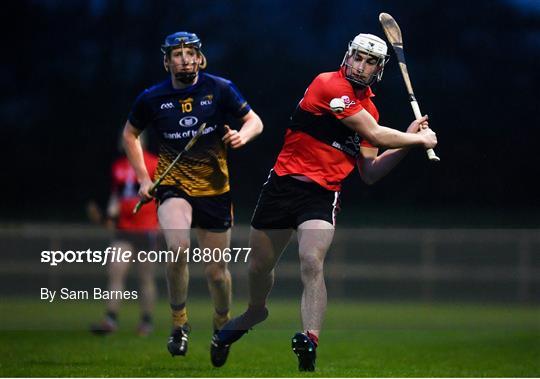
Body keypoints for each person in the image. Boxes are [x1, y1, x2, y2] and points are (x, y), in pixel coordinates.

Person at [211, 33, 437, 370]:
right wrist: (417, 140)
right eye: (357, 57)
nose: (361, 65)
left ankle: (310, 340)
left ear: (379, 69)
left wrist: (407, 143)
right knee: (259, 268)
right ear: (348, 56)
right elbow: (374, 133)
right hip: (283, 185)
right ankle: (255, 312)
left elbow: (370, 171)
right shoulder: (327, 85)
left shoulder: (370, 110)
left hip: (322, 194)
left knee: (311, 261)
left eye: (370, 61)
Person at [122, 31, 263, 359]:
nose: (184, 59)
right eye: (177, 54)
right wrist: (144, 178)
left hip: (214, 190)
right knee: (178, 247)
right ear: (167, 60)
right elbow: (130, 134)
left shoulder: (220, 88)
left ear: (200, 58)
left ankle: (221, 324)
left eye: (190, 53)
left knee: (217, 273)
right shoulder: (151, 98)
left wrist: (243, 135)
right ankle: (179, 324)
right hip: (174, 187)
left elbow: (255, 121)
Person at [90, 142, 159, 336]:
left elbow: (162, 196)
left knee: (146, 277)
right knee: (116, 271)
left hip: (147, 229)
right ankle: (110, 319)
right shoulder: (118, 166)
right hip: (124, 228)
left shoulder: (153, 163)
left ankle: (146, 321)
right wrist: (110, 217)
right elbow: (117, 196)